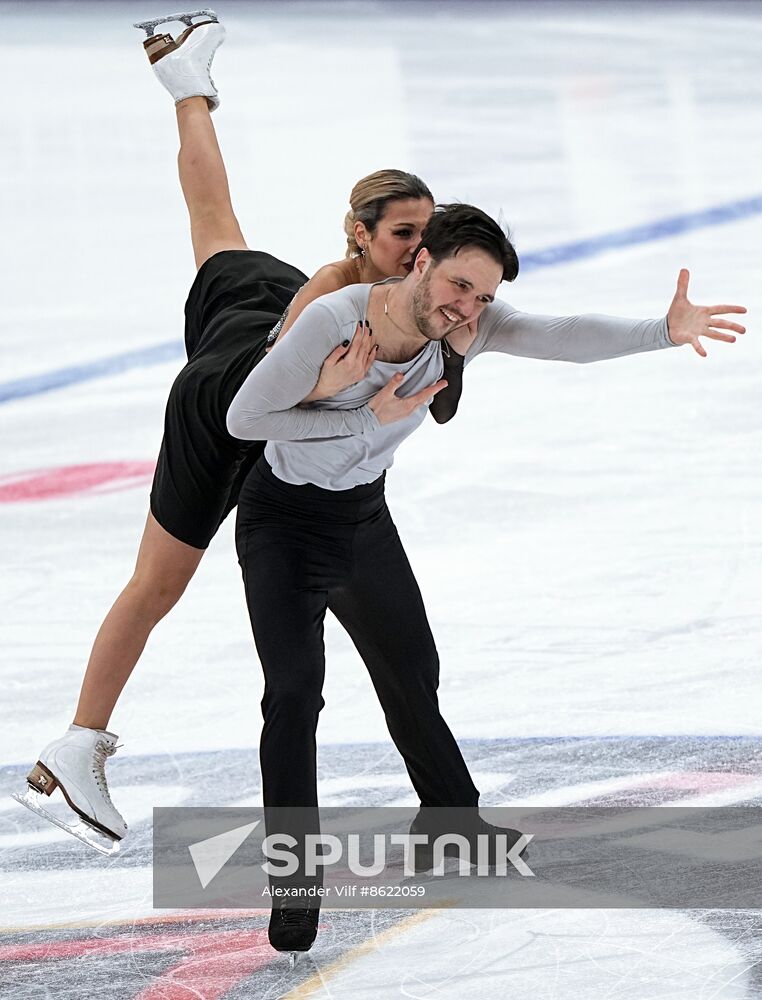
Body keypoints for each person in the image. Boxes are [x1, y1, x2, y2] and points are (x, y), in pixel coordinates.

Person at [226, 191, 745, 954]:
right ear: (422, 260)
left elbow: (562, 335)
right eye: (459, 285)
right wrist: (364, 413)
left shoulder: (464, 327)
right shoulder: (335, 322)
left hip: (361, 521)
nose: (468, 306)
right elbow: (245, 418)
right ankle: (296, 888)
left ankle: (450, 826)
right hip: (283, 525)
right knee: (296, 694)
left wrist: (662, 332)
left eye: (484, 295)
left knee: (413, 669)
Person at [16, 10, 443, 852]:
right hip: (227, 400)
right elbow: (275, 400)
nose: (418, 252)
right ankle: (77, 743)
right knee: (160, 583)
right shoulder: (329, 302)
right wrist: (341, 388)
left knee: (215, 221)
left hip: (250, 301)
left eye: (427, 236)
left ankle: (186, 82)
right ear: (361, 234)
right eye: (404, 236)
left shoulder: (369, 282)